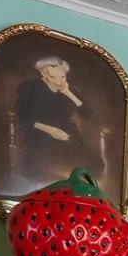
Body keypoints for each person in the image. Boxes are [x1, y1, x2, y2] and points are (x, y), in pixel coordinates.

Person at [12, 55, 109, 192]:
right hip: (40, 133)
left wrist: (68, 93)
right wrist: (51, 130)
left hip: (68, 131)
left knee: (93, 163)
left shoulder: (71, 89)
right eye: (53, 77)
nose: (58, 82)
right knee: (49, 165)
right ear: (43, 74)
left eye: (62, 77)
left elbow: (86, 114)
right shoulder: (31, 88)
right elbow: (22, 117)